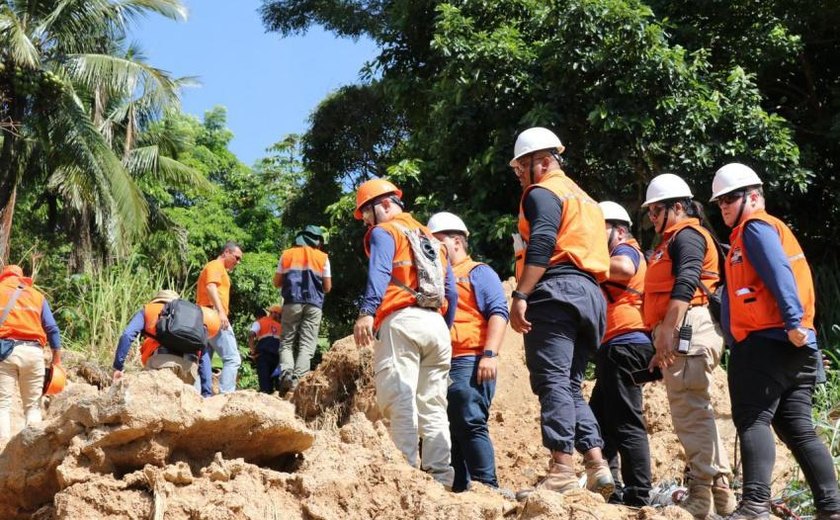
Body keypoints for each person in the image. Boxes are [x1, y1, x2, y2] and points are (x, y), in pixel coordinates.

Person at [709, 163, 840, 520]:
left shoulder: (755, 228)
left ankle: (754, 506)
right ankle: (831, 508)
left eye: (730, 198)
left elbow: (779, 273)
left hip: (768, 342)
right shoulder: (759, 231)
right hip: (793, 345)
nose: (723, 207)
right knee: (796, 427)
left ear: (753, 197)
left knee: (752, 419)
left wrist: (794, 321)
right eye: (719, 201)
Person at [507, 127, 614, 501]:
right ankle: (597, 464)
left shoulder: (543, 192)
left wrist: (522, 292)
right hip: (590, 296)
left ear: (542, 162)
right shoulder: (585, 199)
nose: (520, 175)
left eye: (522, 167)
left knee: (552, 380)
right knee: (570, 385)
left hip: (557, 292)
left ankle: (562, 470)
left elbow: (542, 240)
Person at [352, 178, 458, 488]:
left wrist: (367, 312)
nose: (368, 224)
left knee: (399, 398)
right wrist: (444, 325)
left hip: (402, 322)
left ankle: (407, 475)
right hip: (436, 326)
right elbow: (450, 289)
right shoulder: (432, 239)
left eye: (368, 215)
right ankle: (441, 477)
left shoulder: (386, 232)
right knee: (434, 404)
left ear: (385, 204)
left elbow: (381, 272)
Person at [642, 173, 736, 518]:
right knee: (694, 410)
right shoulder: (672, 239)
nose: (651, 218)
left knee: (691, 411)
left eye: (656, 211)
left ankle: (704, 492)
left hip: (687, 326)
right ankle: (720, 491)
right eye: (649, 212)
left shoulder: (687, 236)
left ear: (677, 207)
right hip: (683, 329)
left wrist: (668, 329)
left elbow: (685, 280)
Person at [427, 211, 510, 495]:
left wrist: (490, 354)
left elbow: (499, 312)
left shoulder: (478, 272)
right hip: (445, 362)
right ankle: (462, 491)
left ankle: (488, 488)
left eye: (439, 242)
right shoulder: (438, 279)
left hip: (471, 358)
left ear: (457, 242)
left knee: (470, 420)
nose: (434, 249)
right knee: (451, 428)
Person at [588, 201, 655, 507]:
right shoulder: (612, 254)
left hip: (626, 344)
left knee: (626, 421)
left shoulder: (625, 250)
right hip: (615, 346)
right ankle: (610, 486)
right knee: (599, 420)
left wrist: (589, 257)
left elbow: (626, 269)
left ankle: (639, 494)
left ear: (618, 229)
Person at [0, 265, 62, 447]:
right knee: (33, 405)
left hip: (5, 352)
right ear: (21, 278)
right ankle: (32, 450)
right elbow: (52, 329)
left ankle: (2, 450)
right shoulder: (37, 296)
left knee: (2, 404)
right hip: (34, 353)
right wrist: (56, 359)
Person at [112, 290, 221, 388]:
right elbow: (204, 355)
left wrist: (118, 367)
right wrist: (206, 392)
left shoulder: (149, 310)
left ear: (157, 301)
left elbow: (127, 335)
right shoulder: (192, 318)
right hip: (189, 370)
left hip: (160, 363)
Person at [273, 225, 331, 392]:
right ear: (317, 242)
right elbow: (327, 287)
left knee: (286, 341)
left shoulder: (287, 254)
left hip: (291, 302)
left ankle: (286, 373)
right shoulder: (323, 257)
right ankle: (298, 381)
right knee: (307, 344)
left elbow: (277, 282)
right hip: (314, 305)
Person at [197, 241, 243, 396]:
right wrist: (221, 312)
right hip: (213, 316)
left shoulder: (217, 268)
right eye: (236, 257)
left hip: (204, 317)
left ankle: (199, 395)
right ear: (226, 252)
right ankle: (226, 395)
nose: (238, 262)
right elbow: (211, 287)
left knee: (204, 360)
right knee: (233, 359)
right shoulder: (216, 265)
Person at [248, 304, 283, 394]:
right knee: (277, 384)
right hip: (277, 357)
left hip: (263, 355)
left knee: (264, 384)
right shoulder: (282, 326)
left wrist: (252, 352)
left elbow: (251, 335)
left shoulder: (260, 322)